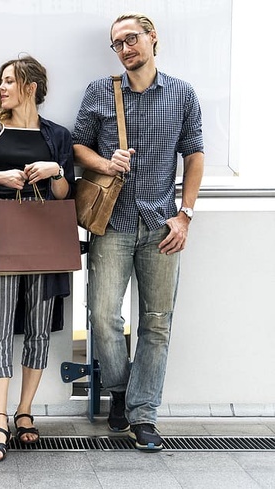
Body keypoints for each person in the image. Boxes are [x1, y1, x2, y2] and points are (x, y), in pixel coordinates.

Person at [72, 12, 204, 451]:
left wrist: (185, 214)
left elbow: (194, 155)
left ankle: (142, 415)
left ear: (152, 39)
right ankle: (120, 390)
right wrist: (106, 163)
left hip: (162, 223)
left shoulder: (182, 94)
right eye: (118, 43)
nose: (126, 48)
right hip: (111, 222)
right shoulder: (99, 92)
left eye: (132, 39)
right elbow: (77, 146)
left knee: (157, 322)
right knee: (104, 316)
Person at [0, 55, 75, 462]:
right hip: (0, 239)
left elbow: (66, 196)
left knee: (39, 329)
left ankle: (24, 411)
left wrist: (55, 171)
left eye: (10, 81)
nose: (2, 88)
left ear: (31, 87)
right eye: (1, 81)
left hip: (46, 241)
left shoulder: (57, 135)